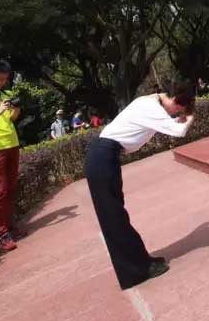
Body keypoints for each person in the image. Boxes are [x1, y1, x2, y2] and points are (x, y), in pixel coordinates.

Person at [84, 80, 195, 290]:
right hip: (102, 157)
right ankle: (136, 272)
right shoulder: (151, 107)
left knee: (116, 215)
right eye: (178, 109)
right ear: (174, 99)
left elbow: (167, 123)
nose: (176, 113)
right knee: (114, 218)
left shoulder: (149, 102)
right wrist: (190, 116)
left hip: (104, 156)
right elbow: (179, 131)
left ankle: (141, 263)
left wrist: (180, 116)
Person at [0, 59, 22, 253]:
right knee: (0, 190)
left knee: (11, 187)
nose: (4, 82)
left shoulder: (6, 94)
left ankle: (9, 227)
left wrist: (16, 110)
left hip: (12, 142)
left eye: (6, 79)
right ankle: (1, 234)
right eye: (0, 79)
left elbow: (12, 119)